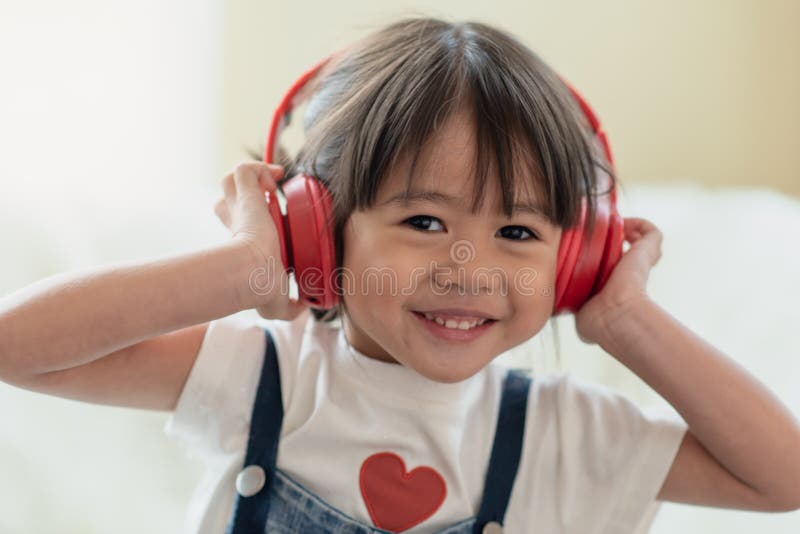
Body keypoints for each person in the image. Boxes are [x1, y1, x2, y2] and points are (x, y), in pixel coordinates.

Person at [1, 16, 799, 534]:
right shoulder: (263, 378)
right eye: (424, 222)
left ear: (575, 260)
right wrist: (244, 269)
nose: (470, 269)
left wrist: (626, 321)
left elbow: (781, 480)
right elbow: (16, 346)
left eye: (517, 231)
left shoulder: (567, 437)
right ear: (317, 231)